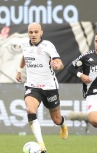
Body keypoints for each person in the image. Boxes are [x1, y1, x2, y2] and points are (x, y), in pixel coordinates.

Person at [16, 22, 68, 153]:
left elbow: (60, 63)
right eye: (31, 32)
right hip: (32, 86)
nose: (33, 35)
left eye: (35, 32)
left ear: (41, 32)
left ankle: (63, 124)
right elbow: (25, 57)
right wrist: (19, 70)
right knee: (30, 109)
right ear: (28, 33)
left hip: (49, 87)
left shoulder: (48, 45)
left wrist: (57, 66)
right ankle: (41, 145)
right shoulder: (25, 45)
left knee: (56, 119)